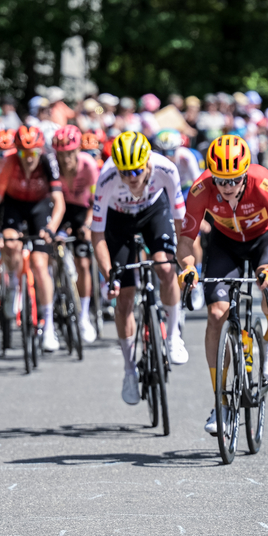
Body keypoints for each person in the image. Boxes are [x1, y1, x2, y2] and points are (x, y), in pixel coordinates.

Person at [175, 136, 268, 434]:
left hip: (263, 240)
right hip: (225, 244)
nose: (227, 187)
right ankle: (221, 402)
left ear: (245, 173)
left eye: (234, 180)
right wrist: (188, 267)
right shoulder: (201, 189)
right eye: (221, 181)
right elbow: (186, 241)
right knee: (217, 314)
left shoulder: (264, 183)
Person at [92, 131, 188, 405]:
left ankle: (173, 336)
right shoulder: (107, 177)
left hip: (153, 212)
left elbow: (181, 221)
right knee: (124, 296)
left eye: (137, 170)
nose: (132, 177)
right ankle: (129, 370)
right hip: (118, 220)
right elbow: (97, 235)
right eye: (126, 172)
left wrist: (184, 259)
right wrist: (109, 272)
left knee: (165, 268)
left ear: (148, 163)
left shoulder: (166, 169)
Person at [0, 125, 65, 352]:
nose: (28, 158)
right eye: (24, 153)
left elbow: (59, 202)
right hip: (14, 205)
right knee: (10, 243)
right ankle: (14, 283)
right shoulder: (8, 162)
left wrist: (52, 228)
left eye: (33, 152)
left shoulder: (47, 161)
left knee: (39, 263)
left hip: (40, 206)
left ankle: (49, 325)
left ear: (40, 151)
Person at [53, 125, 100, 343]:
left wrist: (88, 225)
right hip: (62, 209)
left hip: (83, 210)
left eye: (70, 153)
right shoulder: (53, 166)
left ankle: (84, 317)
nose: (66, 159)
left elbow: (96, 200)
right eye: (61, 154)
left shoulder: (88, 165)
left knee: (83, 263)